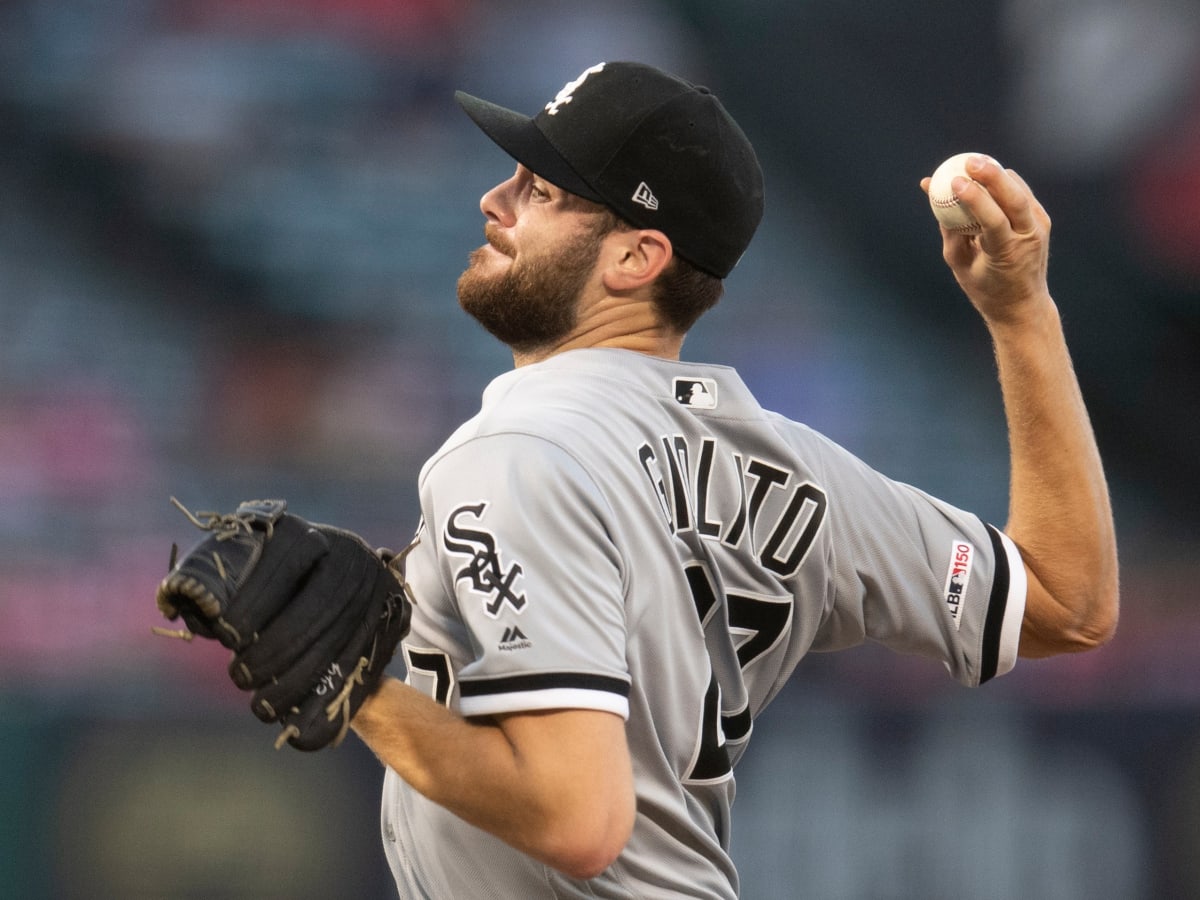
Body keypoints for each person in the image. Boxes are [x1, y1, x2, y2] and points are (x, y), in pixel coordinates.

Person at [349, 60, 1119, 898]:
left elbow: (577, 821)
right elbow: (1064, 602)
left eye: (541, 189)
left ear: (637, 257)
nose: (494, 201)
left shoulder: (516, 451)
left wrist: (356, 691)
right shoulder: (792, 467)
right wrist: (1021, 314)